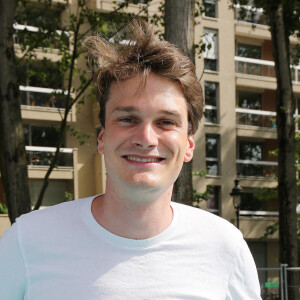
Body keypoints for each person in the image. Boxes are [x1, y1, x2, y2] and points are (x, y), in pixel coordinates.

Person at [0, 20, 261, 299]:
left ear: (188, 146)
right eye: (127, 118)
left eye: (165, 121)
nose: (146, 138)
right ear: (102, 138)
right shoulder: (27, 241)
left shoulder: (225, 248)